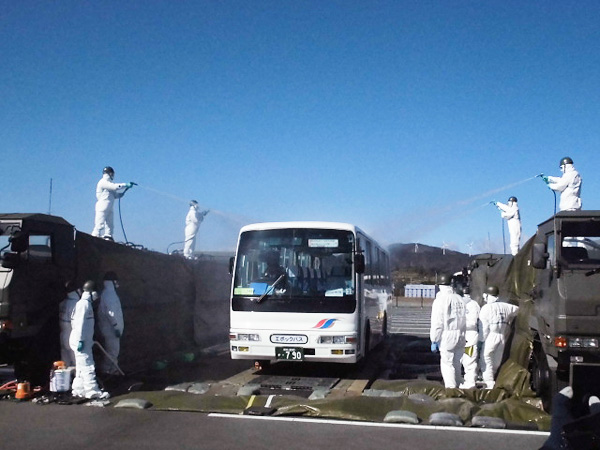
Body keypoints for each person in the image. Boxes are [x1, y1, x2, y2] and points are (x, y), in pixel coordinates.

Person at [70, 280, 109, 399]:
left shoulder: (84, 303)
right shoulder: (84, 305)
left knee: (81, 367)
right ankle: (92, 391)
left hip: (81, 340)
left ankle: (78, 389)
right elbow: (80, 324)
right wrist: (81, 340)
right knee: (88, 365)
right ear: (91, 292)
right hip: (81, 341)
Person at [477, 285, 519, 389]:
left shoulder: (486, 308)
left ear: (487, 295)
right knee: (496, 360)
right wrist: (509, 319)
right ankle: (494, 379)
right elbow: (518, 310)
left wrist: (481, 341)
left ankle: (489, 383)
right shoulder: (506, 306)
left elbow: (484, 329)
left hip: (491, 336)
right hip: (502, 337)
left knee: (486, 359)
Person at [430, 274, 466, 388]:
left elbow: (437, 322)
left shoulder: (440, 300)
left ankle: (451, 391)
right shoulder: (459, 299)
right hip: (461, 334)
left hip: (448, 335)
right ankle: (459, 386)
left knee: (447, 364)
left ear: (440, 285)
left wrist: (434, 340)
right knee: (457, 363)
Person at [92, 166, 135, 240]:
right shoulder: (103, 182)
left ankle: (108, 235)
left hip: (109, 207)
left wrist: (124, 191)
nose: (113, 175)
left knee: (110, 224)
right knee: (100, 222)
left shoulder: (109, 184)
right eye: (112, 174)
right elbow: (114, 187)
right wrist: (125, 185)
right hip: (102, 205)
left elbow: (115, 195)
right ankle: (95, 235)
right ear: (109, 174)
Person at [96, 271, 124, 376]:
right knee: (112, 352)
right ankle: (108, 372)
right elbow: (111, 313)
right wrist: (116, 327)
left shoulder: (108, 293)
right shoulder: (109, 295)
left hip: (110, 329)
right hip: (111, 330)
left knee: (113, 352)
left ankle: (112, 371)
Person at [458, 286, 480, 389]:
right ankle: (466, 381)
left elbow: (474, 322)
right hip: (467, 335)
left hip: (467, 335)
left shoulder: (466, 304)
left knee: (468, 359)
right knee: (465, 359)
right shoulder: (473, 304)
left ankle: (470, 383)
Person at [58, 280, 79, 368]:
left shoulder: (63, 303)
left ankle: (66, 381)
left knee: (65, 365)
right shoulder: (76, 304)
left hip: (63, 336)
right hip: (72, 336)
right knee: (77, 364)